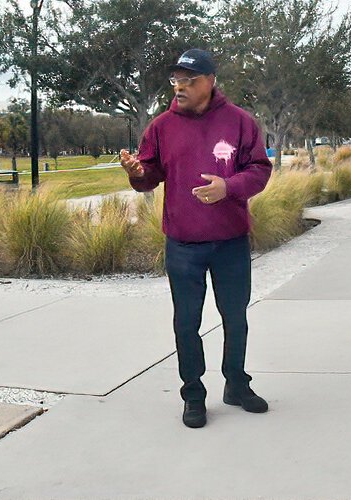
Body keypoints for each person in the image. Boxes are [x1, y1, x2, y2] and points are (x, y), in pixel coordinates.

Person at [118, 48, 272, 429]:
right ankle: (193, 394)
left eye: (189, 79)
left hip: (231, 242)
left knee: (235, 317)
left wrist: (229, 186)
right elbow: (148, 175)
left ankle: (236, 383)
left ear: (210, 81)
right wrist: (136, 172)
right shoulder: (161, 127)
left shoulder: (240, 122)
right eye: (176, 80)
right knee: (186, 323)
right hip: (183, 244)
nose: (180, 86)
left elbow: (259, 169)